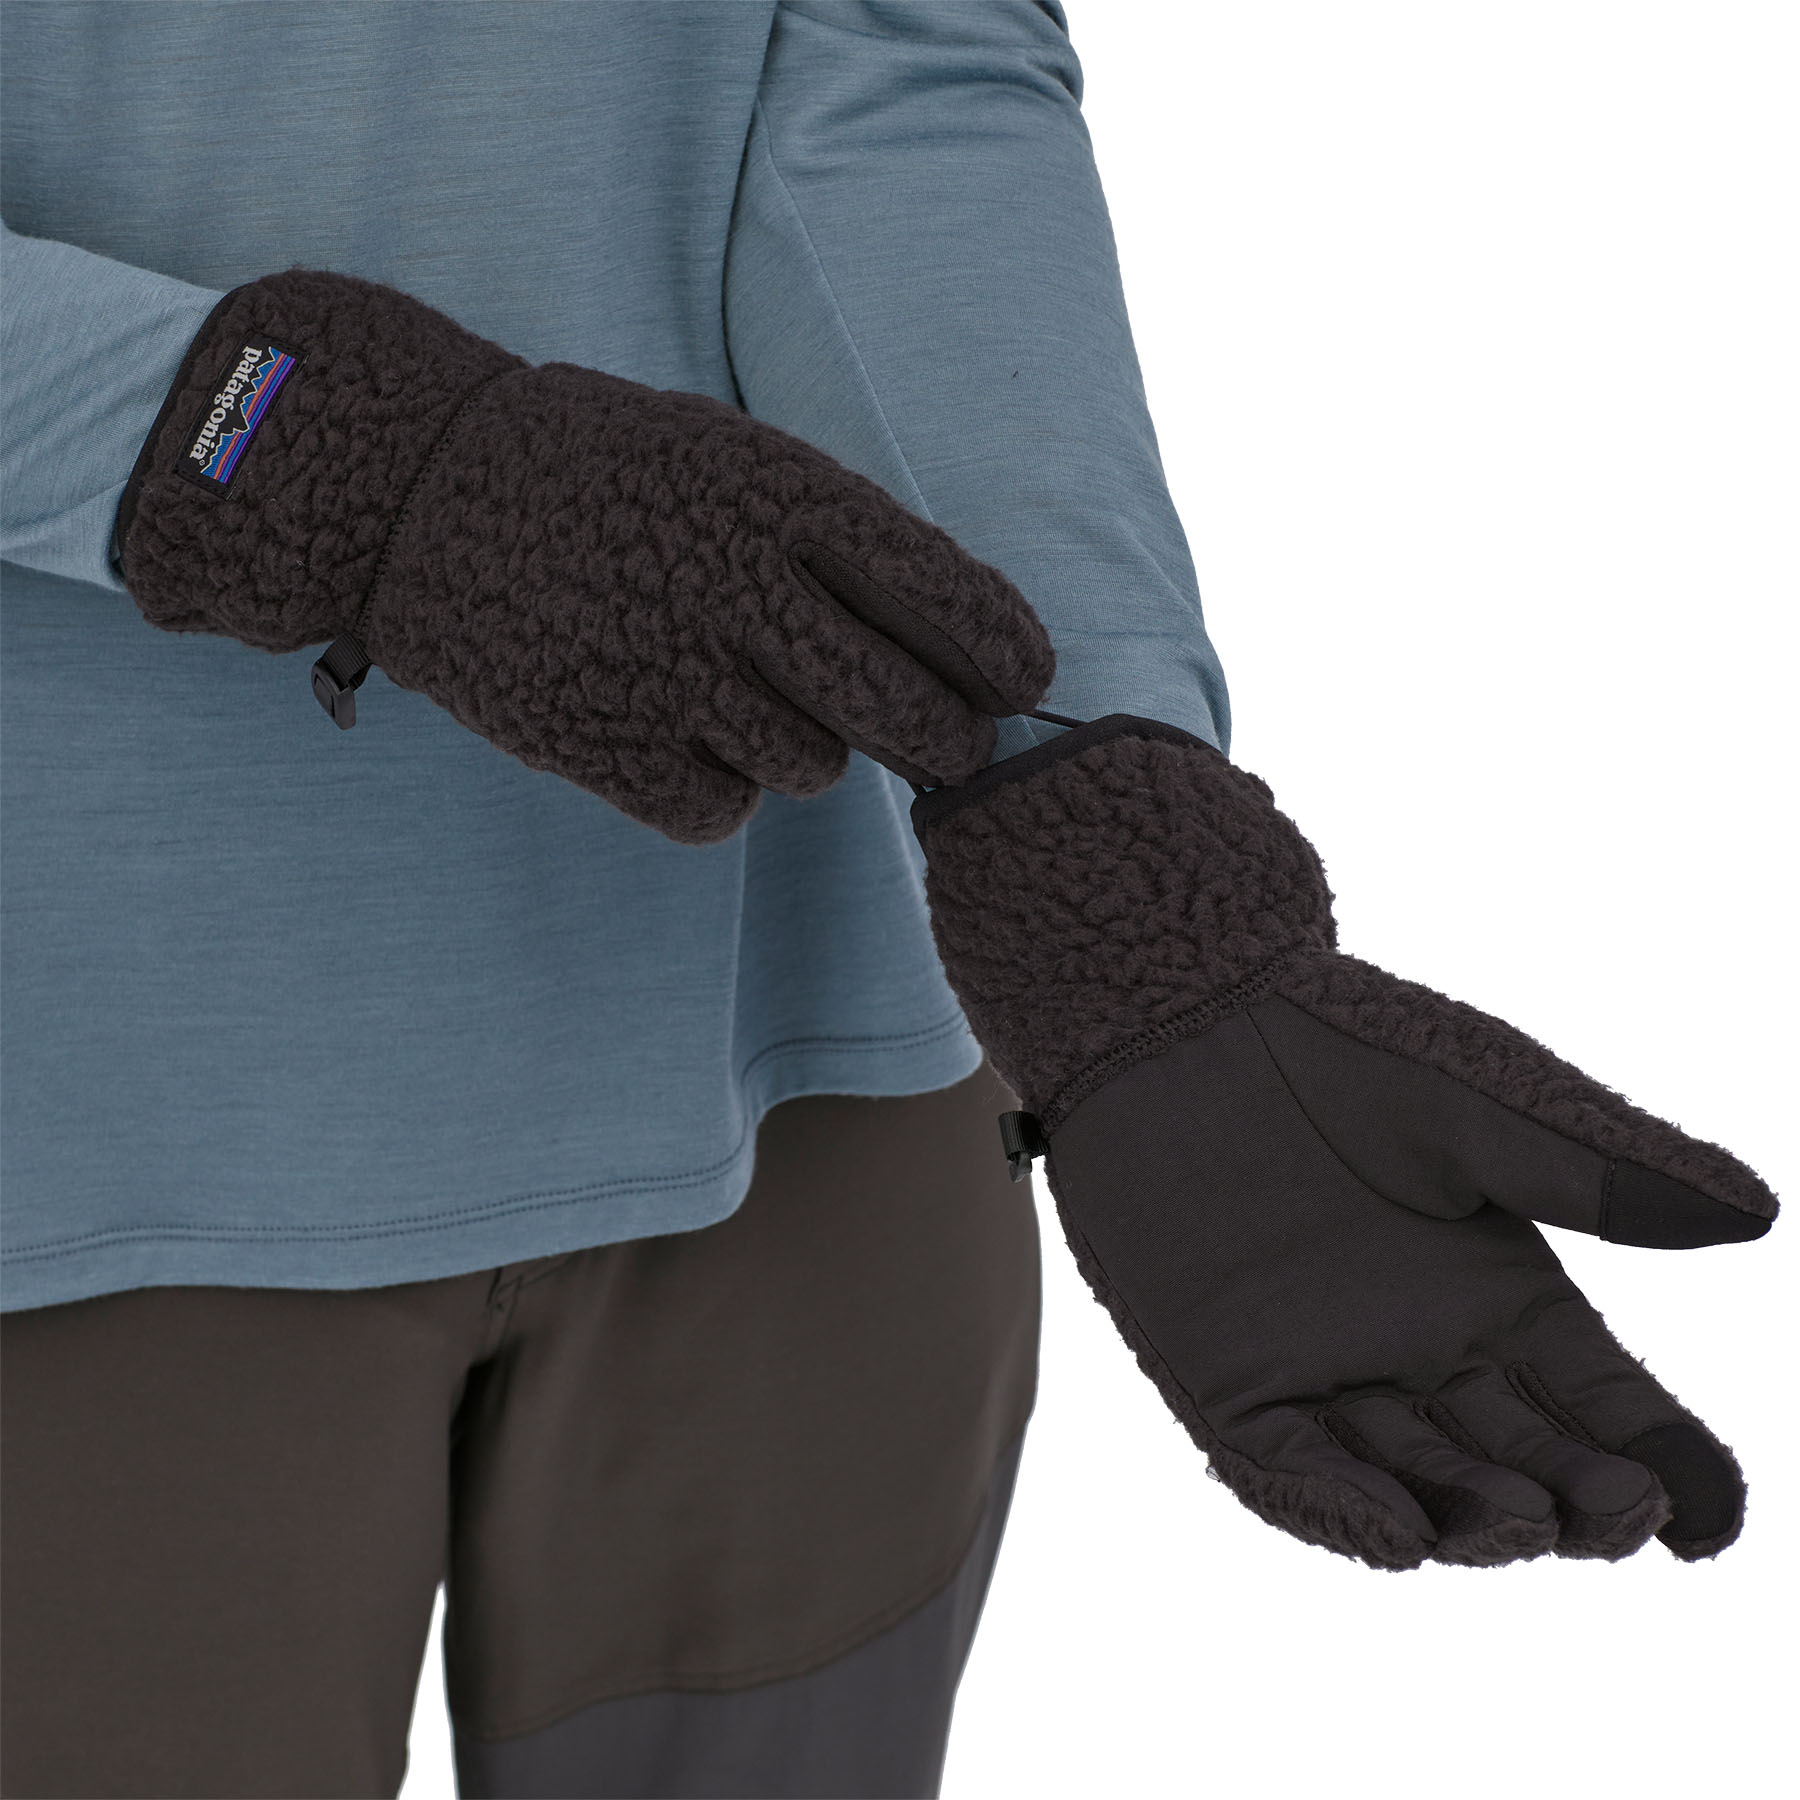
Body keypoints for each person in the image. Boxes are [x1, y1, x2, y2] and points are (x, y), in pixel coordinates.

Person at [0, 5, 1224, 1795]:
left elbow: (901, 69)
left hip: (812, 1063)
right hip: (85, 1126)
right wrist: (324, 462)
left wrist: (1111, 823)